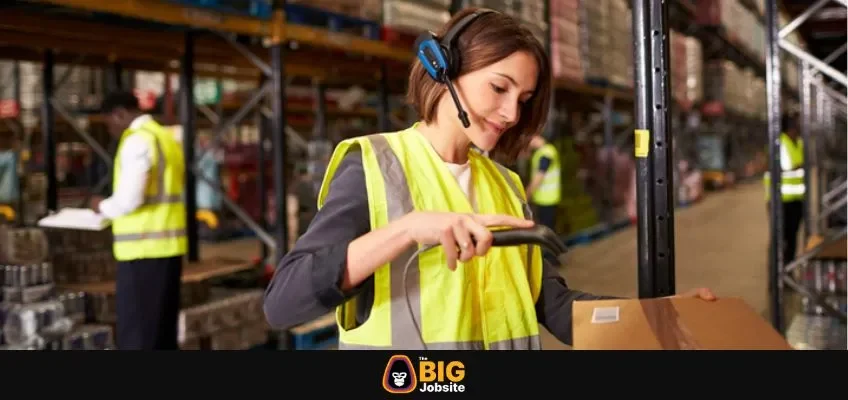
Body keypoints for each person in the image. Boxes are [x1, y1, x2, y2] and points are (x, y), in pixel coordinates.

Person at [263, 8, 716, 350]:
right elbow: (283, 303)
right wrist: (406, 229)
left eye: (524, 98)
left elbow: (552, 306)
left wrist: (654, 320)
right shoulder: (376, 166)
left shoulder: (507, 186)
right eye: (499, 88)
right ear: (443, 69)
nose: (511, 114)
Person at [90, 91, 187, 350]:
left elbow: (131, 199)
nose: (110, 129)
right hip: (169, 249)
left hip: (142, 252)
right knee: (162, 334)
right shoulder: (165, 137)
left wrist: (102, 206)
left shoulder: (137, 141)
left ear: (119, 113)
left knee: (139, 337)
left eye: (109, 122)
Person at [763, 114, 805, 264]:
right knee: (779, 238)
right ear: (790, 127)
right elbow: (787, 166)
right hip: (779, 199)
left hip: (797, 199)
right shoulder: (779, 143)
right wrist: (801, 165)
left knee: (792, 237)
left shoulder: (799, 142)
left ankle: (789, 272)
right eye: (796, 124)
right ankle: (777, 276)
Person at [525, 134, 561, 231]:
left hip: (548, 199)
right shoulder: (541, 152)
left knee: (547, 230)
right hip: (543, 198)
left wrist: (526, 196)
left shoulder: (546, 152)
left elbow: (539, 176)